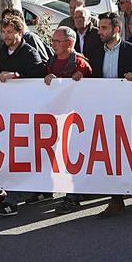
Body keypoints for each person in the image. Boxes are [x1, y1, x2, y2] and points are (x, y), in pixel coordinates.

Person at [88, 12, 132, 217]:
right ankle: (116, 199)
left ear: (117, 29)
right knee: (111, 154)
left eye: (104, 28)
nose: (100, 31)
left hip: (129, 111)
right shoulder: (95, 53)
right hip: (105, 112)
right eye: (99, 27)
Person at [0, 15, 48, 217]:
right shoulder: (2, 50)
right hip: (10, 110)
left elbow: (39, 76)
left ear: (20, 32)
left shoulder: (29, 52)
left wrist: (17, 76)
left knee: (22, 154)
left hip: (28, 111)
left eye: (10, 32)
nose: (6, 36)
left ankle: (12, 200)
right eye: (4, 32)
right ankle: (39, 190)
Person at [44, 26, 94, 214]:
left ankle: (73, 197)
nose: (53, 44)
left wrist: (83, 79)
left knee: (75, 157)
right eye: (53, 41)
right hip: (59, 117)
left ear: (70, 43)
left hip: (78, 120)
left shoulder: (80, 64)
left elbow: (94, 87)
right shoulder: (51, 61)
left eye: (57, 41)